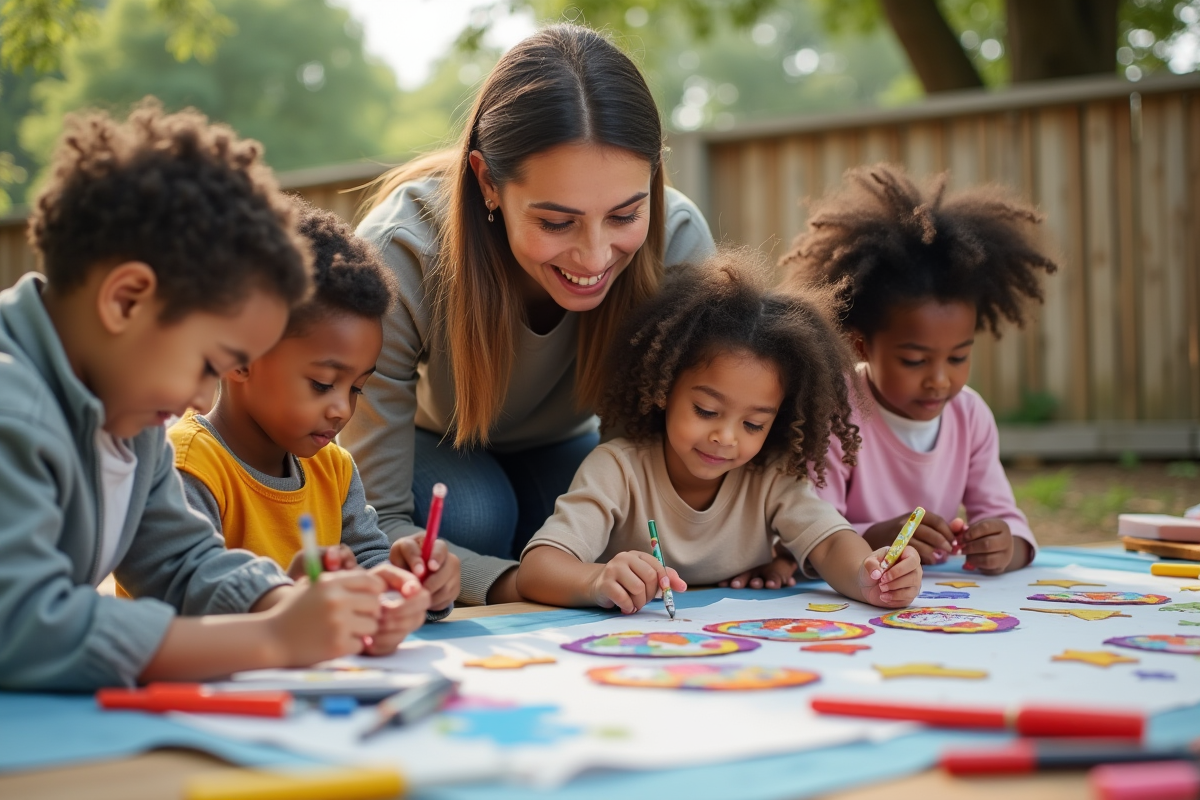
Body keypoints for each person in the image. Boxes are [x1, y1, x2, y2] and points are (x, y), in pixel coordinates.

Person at [0, 101, 419, 691]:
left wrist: (290, 603)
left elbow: (181, 562)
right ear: (126, 301)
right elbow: (24, 628)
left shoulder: (128, 414)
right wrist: (270, 639)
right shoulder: (13, 406)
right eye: (205, 363)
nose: (201, 399)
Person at [340, 24, 716, 605]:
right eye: (556, 222)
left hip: (567, 446)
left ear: (654, 175)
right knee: (475, 513)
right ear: (488, 181)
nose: (594, 257)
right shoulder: (401, 253)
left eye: (624, 216)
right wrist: (527, 581)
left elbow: (652, 487)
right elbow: (375, 521)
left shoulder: (679, 241)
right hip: (434, 443)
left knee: (609, 526)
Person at [516, 251, 922, 613]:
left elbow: (832, 543)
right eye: (706, 410)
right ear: (664, 387)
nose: (726, 437)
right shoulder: (618, 469)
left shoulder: (771, 475)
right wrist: (595, 581)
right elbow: (537, 570)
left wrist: (869, 576)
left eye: (752, 424)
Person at [169, 202, 453, 632]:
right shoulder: (189, 465)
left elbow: (369, 564)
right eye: (322, 383)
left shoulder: (332, 468)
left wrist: (411, 585)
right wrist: (288, 598)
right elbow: (181, 596)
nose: (342, 409)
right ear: (239, 358)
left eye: (357, 388)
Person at [782, 163, 1057, 574]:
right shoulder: (835, 412)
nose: (940, 379)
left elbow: (1006, 519)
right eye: (914, 360)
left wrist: (1006, 545)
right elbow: (808, 533)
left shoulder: (970, 415)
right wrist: (878, 536)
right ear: (862, 345)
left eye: (959, 357)